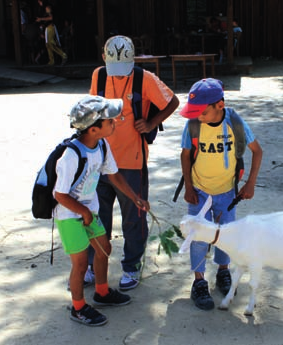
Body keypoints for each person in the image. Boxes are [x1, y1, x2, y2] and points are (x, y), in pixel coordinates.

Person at [88, 35, 180, 291]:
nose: (117, 76)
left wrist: (151, 123)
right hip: (99, 159)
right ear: (104, 58)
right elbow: (93, 106)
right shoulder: (99, 75)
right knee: (96, 216)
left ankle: (131, 265)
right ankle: (93, 264)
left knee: (133, 217)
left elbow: (172, 101)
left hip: (131, 161)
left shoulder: (145, 78)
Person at [54, 95, 150, 326]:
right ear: (94, 129)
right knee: (79, 264)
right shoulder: (71, 155)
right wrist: (84, 213)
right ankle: (78, 308)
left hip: (88, 212)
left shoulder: (102, 145)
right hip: (70, 216)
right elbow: (60, 194)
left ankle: (102, 292)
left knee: (104, 249)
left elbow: (114, 174)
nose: (115, 122)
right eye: (109, 121)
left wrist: (135, 197)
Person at [179, 78, 263, 310]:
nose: (197, 116)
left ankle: (223, 273)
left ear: (220, 105)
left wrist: (250, 184)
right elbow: (186, 155)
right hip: (199, 190)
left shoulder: (234, 123)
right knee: (198, 236)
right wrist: (188, 186)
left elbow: (258, 151)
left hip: (227, 192)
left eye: (202, 112)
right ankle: (199, 281)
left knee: (225, 235)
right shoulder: (193, 125)